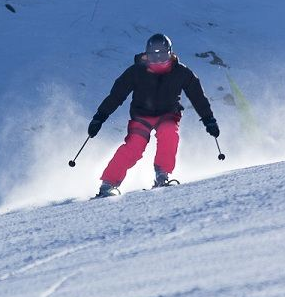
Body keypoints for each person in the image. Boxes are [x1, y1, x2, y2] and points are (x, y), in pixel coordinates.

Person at [87, 33, 220, 197]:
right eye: (153, 56)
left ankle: (162, 175)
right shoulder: (136, 71)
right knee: (134, 146)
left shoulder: (181, 72)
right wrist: (100, 117)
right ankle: (108, 184)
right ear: (146, 55)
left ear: (170, 54)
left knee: (169, 133)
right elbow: (117, 95)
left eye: (162, 55)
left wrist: (208, 119)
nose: (158, 60)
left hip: (168, 115)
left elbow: (197, 97)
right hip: (142, 116)